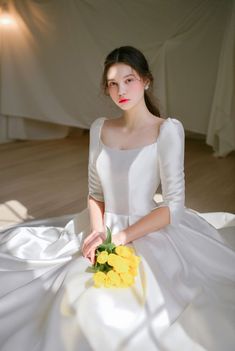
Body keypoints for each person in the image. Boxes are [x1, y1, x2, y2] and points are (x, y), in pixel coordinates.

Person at [0, 46, 235, 351]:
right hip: (102, 226)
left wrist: (120, 237)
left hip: (148, 228)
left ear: (146, 81)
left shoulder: (167, 131)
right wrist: (99, 232)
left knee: (103, 302)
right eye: (113, 83)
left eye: (129, 80)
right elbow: (96, 193)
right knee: (65, 284)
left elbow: (173, 207)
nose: (120, 90)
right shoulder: (100, 128)